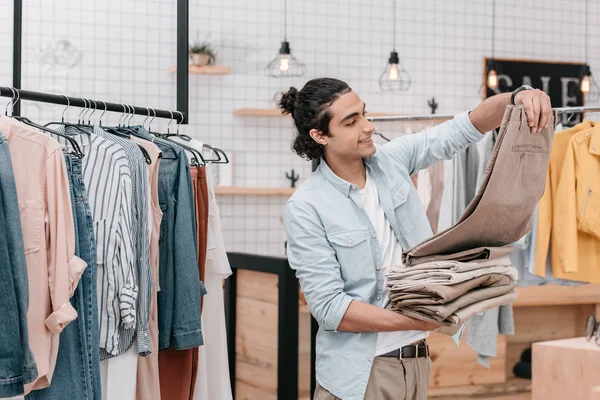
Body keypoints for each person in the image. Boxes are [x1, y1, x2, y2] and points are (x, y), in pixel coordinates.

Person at [281, 78, 551, 400]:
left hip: (416, 362)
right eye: (351, 122)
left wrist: (518, 97)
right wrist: (420, 318)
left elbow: (464, 127)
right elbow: (331, 308)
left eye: (364, 114)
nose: (368, 127)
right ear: (320, 135)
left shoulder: (392, 161)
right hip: (358, 376)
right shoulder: (306, 206)